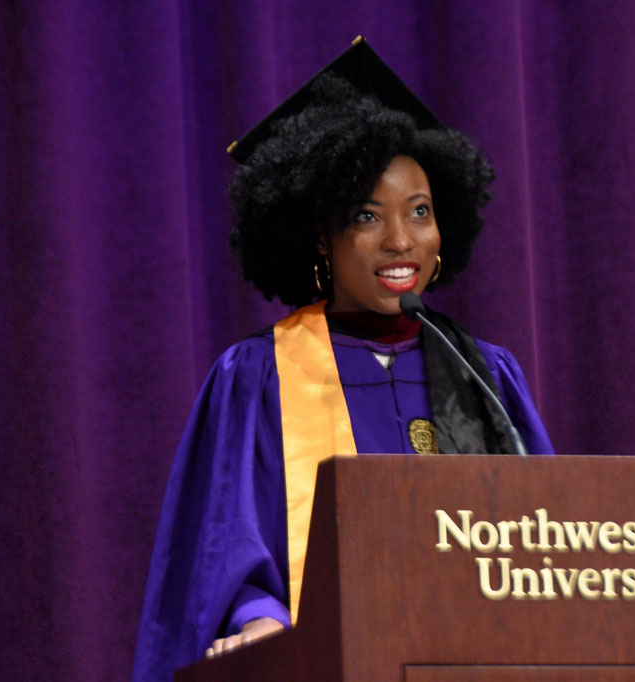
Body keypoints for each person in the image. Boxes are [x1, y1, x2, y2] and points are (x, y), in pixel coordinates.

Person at [131, 38, 554, 682]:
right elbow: (226, 543)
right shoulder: (260, 374)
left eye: (420, 212)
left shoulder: (483, 374)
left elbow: (547, 540)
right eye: (366, 214)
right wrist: (259, 619)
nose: (399, 240)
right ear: (321, 239)